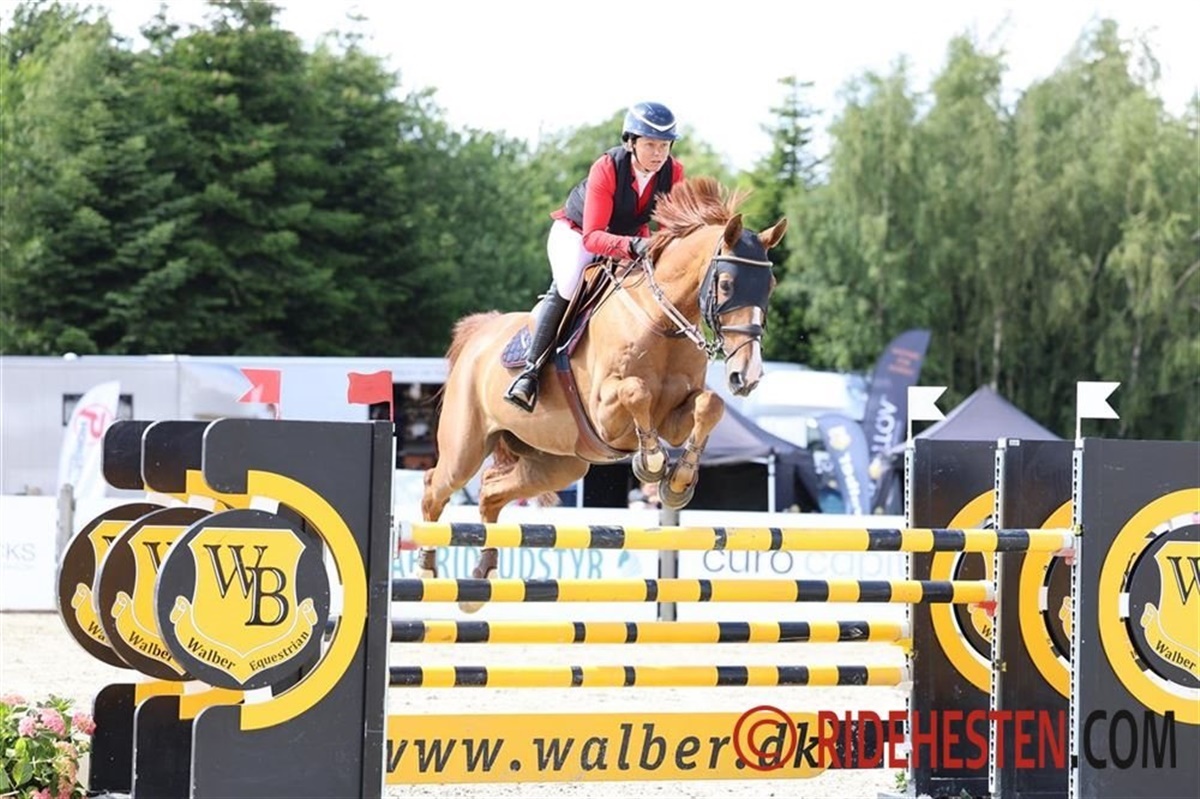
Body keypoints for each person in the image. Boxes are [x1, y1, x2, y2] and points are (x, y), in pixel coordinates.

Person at [505, 101, 687, 412]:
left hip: (632, 238)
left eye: (664, 145)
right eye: (650, 144)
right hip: (578, 235)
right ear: (631, 142)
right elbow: (593, 236)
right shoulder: (607, 167)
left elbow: (671, 226)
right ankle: (530, 372)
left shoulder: (674, 172)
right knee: (569, 284)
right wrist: (635, 246)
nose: (659, 153)